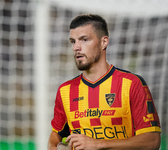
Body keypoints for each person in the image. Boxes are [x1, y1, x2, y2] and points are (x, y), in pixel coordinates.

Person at [48, 14, 161, 150]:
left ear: (104, 42)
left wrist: (97, 144)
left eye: (84, 40)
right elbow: (56, 134)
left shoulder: (131, 83)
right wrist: (53, 147)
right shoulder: (65, 91)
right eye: (73, 41)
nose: (76, 47)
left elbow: (152, 141)